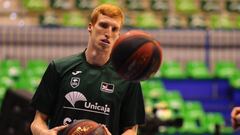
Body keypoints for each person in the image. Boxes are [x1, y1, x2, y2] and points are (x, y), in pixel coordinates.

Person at [30, 4, 145, 135]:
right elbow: (38, 121)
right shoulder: (59, 68)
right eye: (103, 25)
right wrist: (44, 133)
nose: (108, 33)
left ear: (118, 35)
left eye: (114, 29)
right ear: (90, 27)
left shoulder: (127, 78)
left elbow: (131, 129)